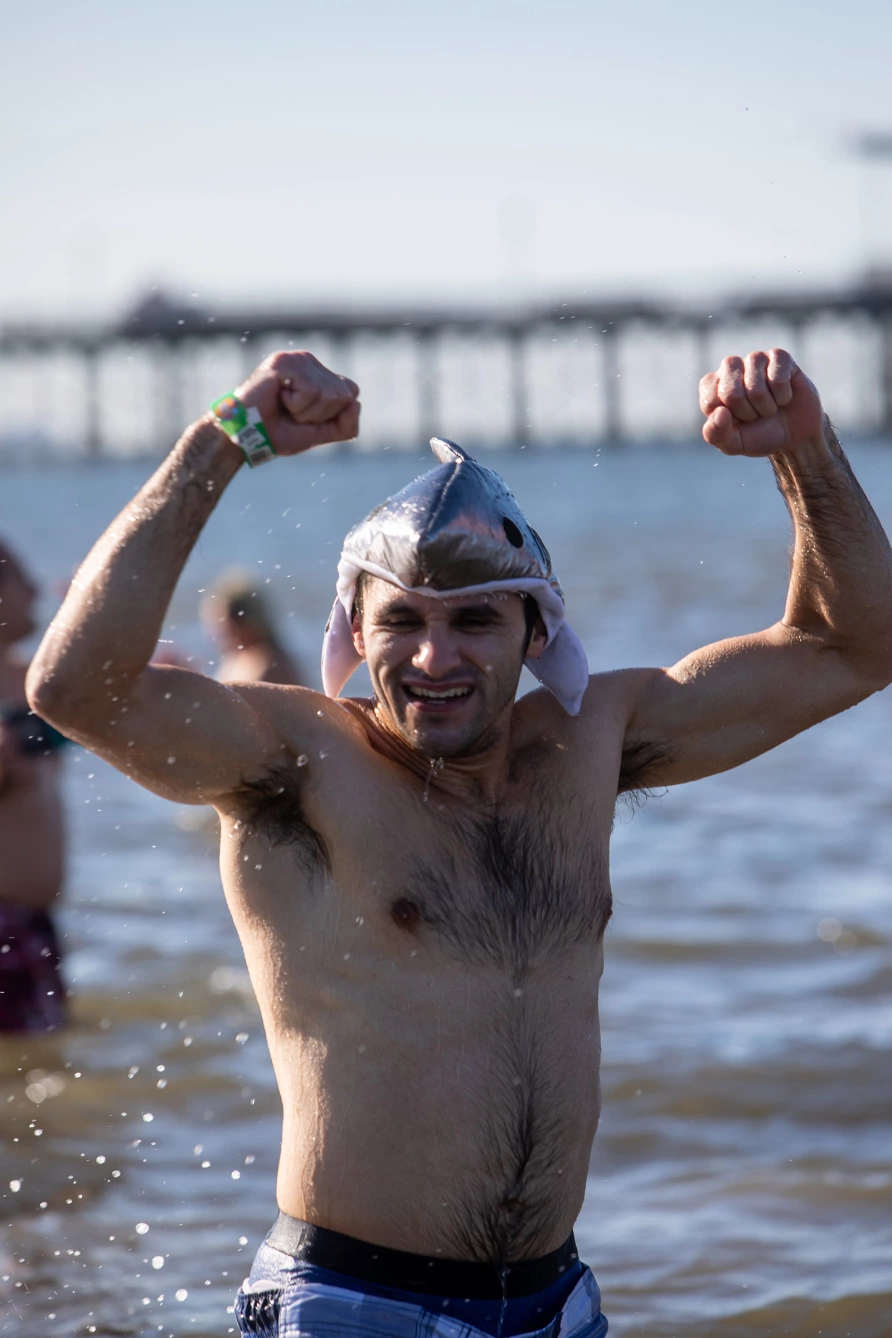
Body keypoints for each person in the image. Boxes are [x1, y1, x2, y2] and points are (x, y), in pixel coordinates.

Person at [25, 347, 892, 1337]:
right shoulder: (300, 762)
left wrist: (803, 449)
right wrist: (224, 441)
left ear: (536, 631)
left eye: (476, 621)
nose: (434, 657)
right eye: (401, 622)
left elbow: (852, 647)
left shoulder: (589, 743)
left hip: (558, 1303)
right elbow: (75, 690)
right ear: (355, 633)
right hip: (355, 1303)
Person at [0, 542, 68, 1033]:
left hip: (37, 924)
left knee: (48, 1061)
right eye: (19, 578)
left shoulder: (31, 683)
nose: (34, 590)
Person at [201, 568, 303, 686]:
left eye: (220, 623)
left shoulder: (266, 666)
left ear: (240, 622)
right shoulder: (240, 658)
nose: (214, 634)